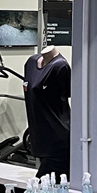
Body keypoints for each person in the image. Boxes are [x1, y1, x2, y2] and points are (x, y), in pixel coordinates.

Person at [23, 48, 71, 178]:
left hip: (58, 138)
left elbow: (68, 95)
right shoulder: (31, 62)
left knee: (42, 185)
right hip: (39, 137)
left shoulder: (60, 66)